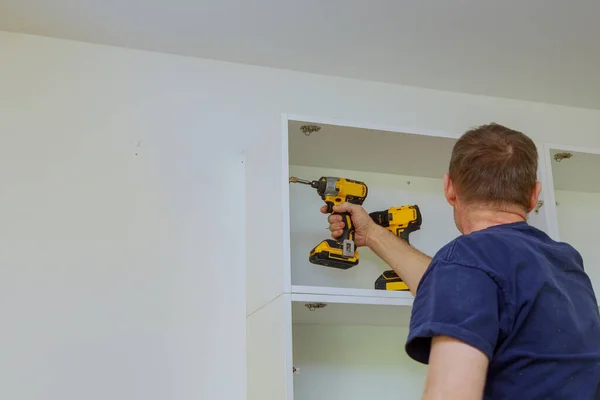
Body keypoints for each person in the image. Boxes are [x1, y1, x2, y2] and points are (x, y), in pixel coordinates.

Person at [323, 123, 600, 399]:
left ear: (449, 189)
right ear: (534, 195)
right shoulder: (564, 261)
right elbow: (455, 289)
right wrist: (372, 234)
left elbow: (451, 394)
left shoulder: (465, 262)